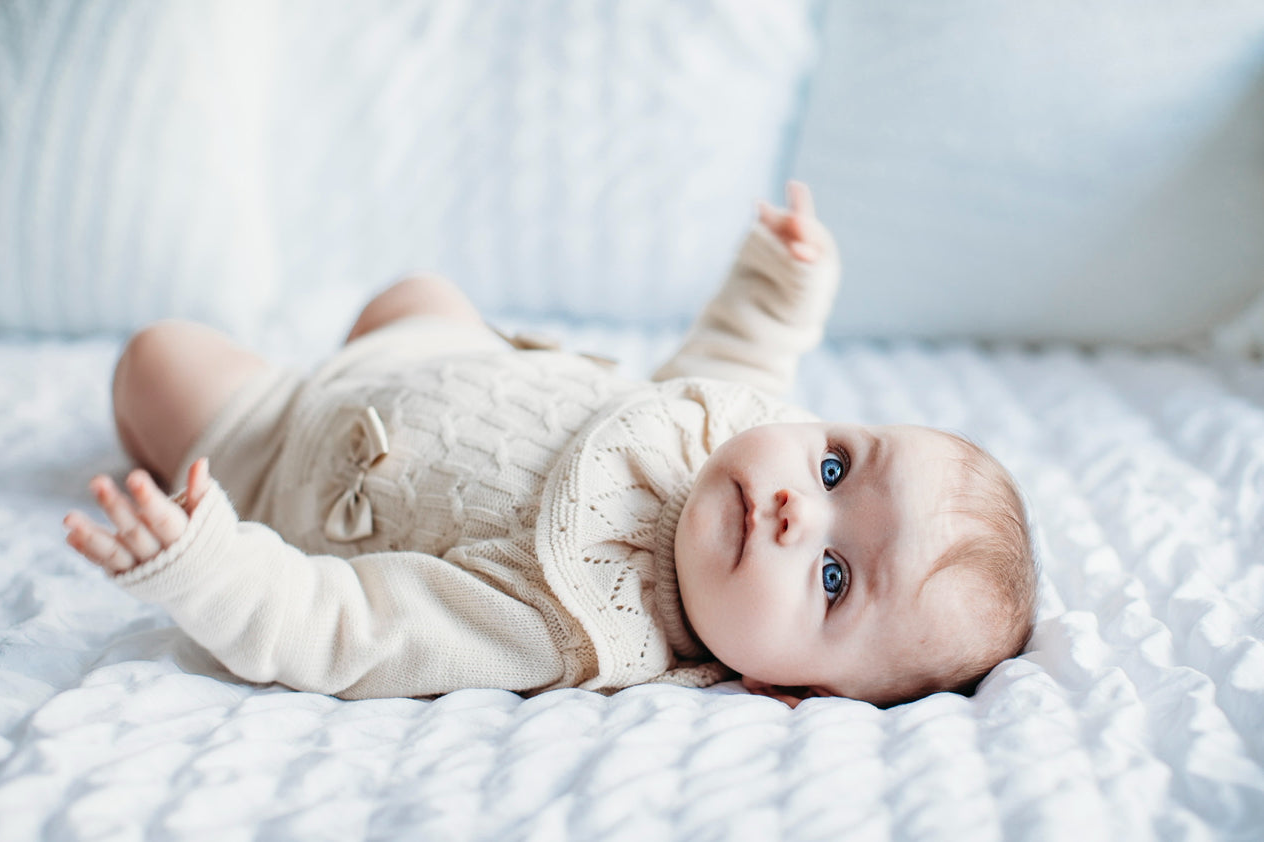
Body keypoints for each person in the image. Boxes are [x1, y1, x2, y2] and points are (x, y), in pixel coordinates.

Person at [63, 182, 1037, 708]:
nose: (798, 505)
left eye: (832, 577)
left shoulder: (562, 619)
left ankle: (183, 454)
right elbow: (739, 355)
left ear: (784, 685)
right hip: (447, 353)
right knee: (415, 290)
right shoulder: (735, 434)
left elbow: (350, 628)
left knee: (158, 359)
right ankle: (390, 331)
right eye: (835, 467)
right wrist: (782, 287)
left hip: (293, 449)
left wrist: (206, 568)